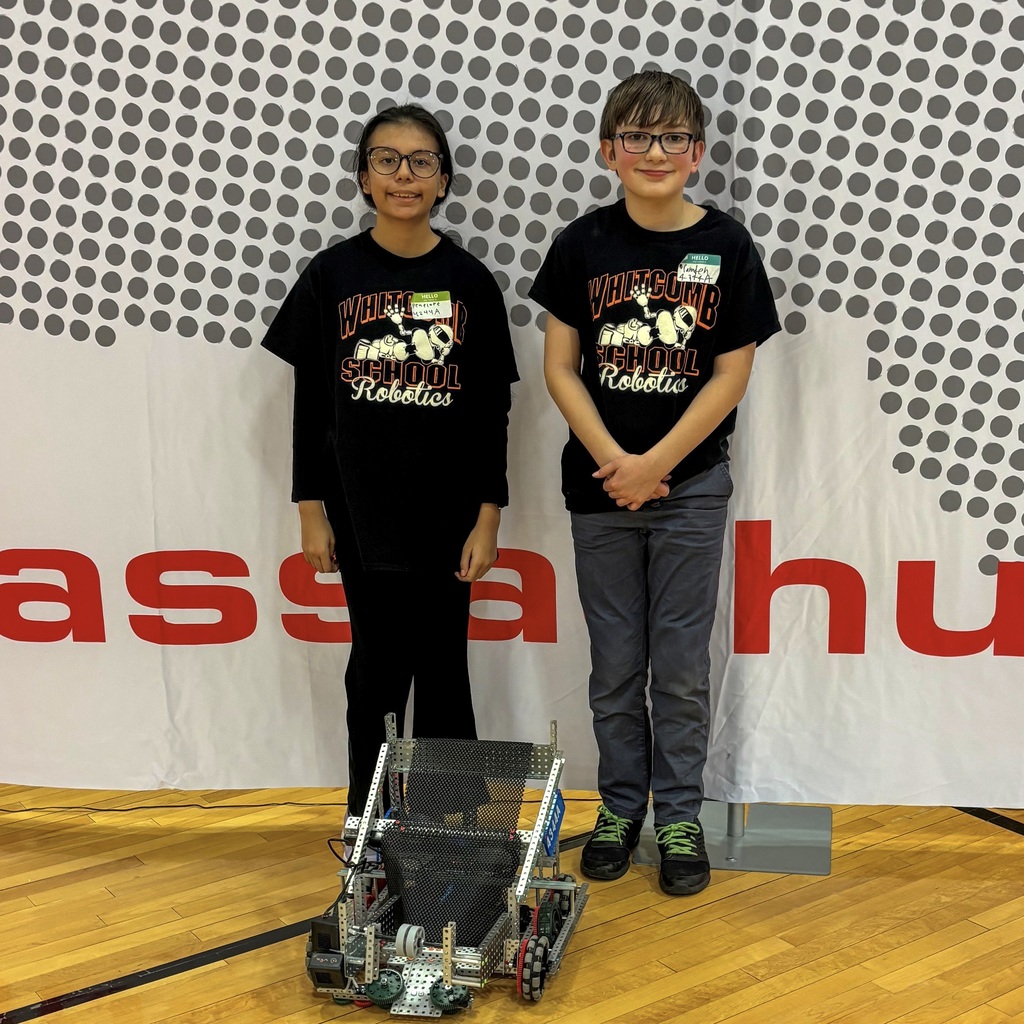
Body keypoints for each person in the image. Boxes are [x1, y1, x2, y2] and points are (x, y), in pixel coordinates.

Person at [530, 71, 780, 895]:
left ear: (697, 152)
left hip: (693, 490)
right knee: (613, 667)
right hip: (599, 489)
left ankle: (677, 814)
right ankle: (619, 808)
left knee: (678, 667)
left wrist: (658, 466)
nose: (655, 152)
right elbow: (560, 369)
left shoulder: (729, 246)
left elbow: (729, 378)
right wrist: (617, 464)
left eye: (673, 137)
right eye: (636, 137)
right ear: (609, 151)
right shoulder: (580, 246)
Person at [261, 104, 518, 817]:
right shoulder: (331, 276)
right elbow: (311, 405)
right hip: (359, 512)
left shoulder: (471, 284)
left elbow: (490, 412)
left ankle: (446, 825)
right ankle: (368, 819)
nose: (404, 174)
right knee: (374, 675)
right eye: (387, 159)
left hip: (447, 516)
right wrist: (310, 510)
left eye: (421, 161)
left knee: (442, 673)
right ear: (364, 177)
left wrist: (488, 514)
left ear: (443, 181)